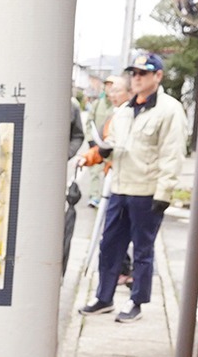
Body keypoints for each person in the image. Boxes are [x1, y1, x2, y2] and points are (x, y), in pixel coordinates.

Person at [79, 51, 185, 323]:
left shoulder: (169, 110)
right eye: (134, 74)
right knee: (110, 244)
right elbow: (111, 144)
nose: (137, 79)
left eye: (143, 73)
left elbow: (172, 155)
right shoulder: (124, 111)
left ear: (157, 76)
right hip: (120, 187)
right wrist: (92, 155)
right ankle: (104, 297)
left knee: (142, 250)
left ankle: (136, 301)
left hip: (147, 192)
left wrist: (163, 193)